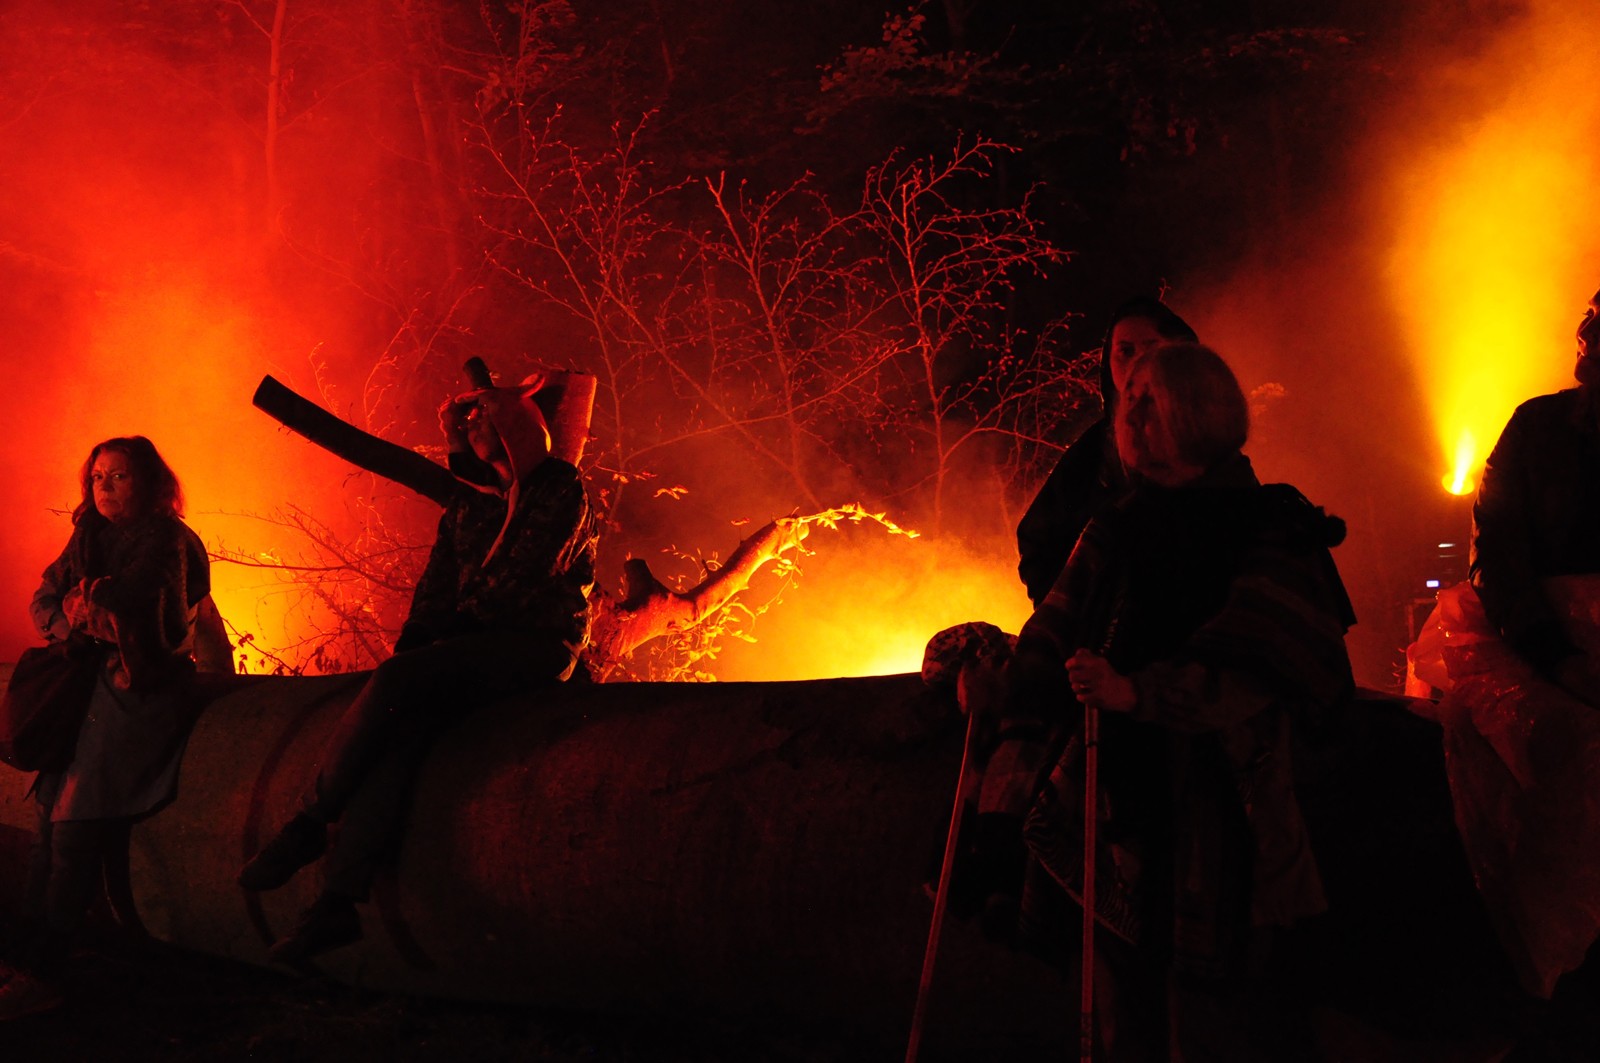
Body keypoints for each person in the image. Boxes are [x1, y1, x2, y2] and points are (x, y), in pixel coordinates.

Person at [988, 344, 1355, 1060]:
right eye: (1128, 396)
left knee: (1220, 1015)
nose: (1130, 410)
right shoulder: (1114, 525)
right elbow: (1052, 628)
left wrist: (1139, 693)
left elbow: (1262, 665)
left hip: (1225, 810)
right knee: (1120, 1000)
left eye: (1151, 397)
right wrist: (1002, 685)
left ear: (1201, 410)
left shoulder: (1273, 527)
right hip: (1114, 798)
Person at [238, 375, 598, 964]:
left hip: (535, 645)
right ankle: (336, 904)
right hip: (469, 650)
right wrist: (415, 644)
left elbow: (524, 574)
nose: (473, 426)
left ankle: (309, 822)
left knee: (402, 685)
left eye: (486, 417)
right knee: (402, 734)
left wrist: (433, 650)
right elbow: (436, 586)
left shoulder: (559, 487)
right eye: (469, 420)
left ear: (520, 428)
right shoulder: (468, 502)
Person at [0, 436, 213, 1020]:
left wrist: (94, 608)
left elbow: (136, 606)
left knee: (73, 828)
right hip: (84, 688)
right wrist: (69, 623)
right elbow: (49, 598)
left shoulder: (169, 539)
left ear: (149, 482)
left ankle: (46, 973)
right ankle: (25, 959)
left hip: (137, 694)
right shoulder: (88, 536)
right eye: (98, 477)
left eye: (119, 476)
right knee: (47, 820)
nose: (106, 487)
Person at [1015, 297, 1198, 607]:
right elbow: (1038, 540)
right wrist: (1066, 615)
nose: (1137, 363)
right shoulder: (1093, 451)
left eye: (1151, 349)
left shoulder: (1205, 440)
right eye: (1125, 351)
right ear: (1108, 362)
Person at [1470, 284, 1600, 707]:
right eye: (1589, 312)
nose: (1587, 331)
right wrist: (1556, 659)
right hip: (1542, 665)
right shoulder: (1538, 426)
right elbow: (1496, 549)